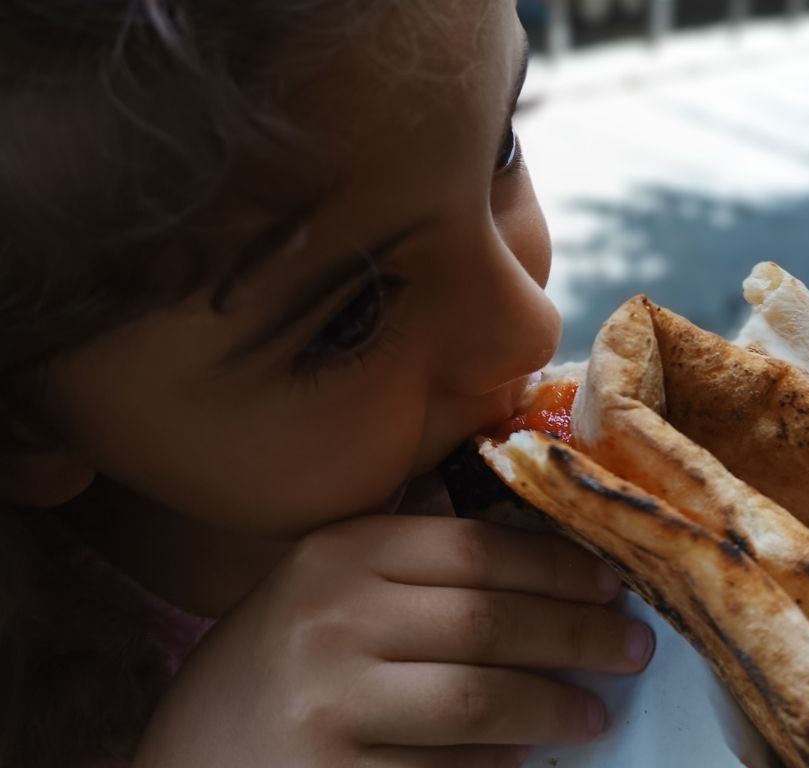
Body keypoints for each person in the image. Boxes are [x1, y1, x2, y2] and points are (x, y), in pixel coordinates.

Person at [0, 2, 655, 766]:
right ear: (26, 423)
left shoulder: (594, 462)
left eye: (501, 149)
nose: (533, 329)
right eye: (354, 316)